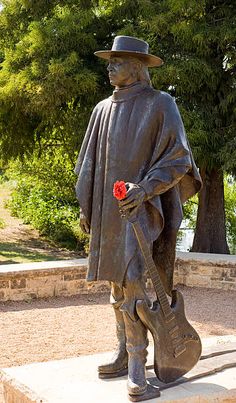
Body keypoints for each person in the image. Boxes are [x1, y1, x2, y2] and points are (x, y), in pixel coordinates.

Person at [75, 35, 202, 398]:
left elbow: (179, 157)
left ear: (138, 66)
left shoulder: (161, 103)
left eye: (118, 60)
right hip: (108, 212)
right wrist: (88, 208)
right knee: (116, 284)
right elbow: (88, 164)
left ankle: (137, 369)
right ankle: (121, 352)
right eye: (110, 61)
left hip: (145, 210)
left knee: (133, 282)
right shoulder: (102, 109)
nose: (110, 66)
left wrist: (145, 189)